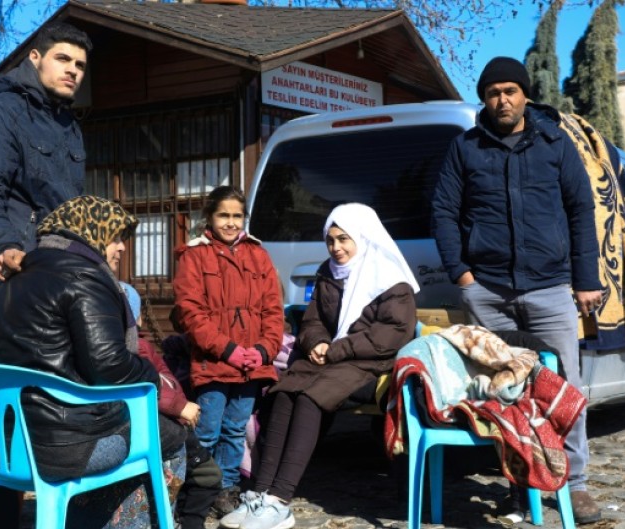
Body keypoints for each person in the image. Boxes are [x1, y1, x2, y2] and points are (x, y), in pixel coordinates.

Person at [430, 56, 603, 525]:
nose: (501, 99)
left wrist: (586, 279)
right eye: (492, 92)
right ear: (483, 99)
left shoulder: (555, 143)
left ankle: (576, 483)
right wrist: (462, 276)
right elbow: (444, 211)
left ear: (525, 94)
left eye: (509, 90)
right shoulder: (464, 148)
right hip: (487, 291)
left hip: (549, 288)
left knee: (564, 384)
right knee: (504, 388)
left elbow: (580, 211)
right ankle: (519, 481)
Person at [222, 203, 419, 529]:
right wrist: (316, 344)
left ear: (362, 236)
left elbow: (390, 335)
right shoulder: (328, 272)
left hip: (370, 365)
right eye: (330, 240)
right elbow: (313, 320)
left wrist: (335, 350)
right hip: (330, 360)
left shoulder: (391, 280)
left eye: (344, 239)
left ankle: (280, 501)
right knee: (284, 392)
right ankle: (259, 493)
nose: (336, 248)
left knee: (312, 398)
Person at [0, 195, 162, 528]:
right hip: (59, 450)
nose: (122, 248)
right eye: (116, 237)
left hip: (0, 450)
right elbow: (110, 367)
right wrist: (154, 376)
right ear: (91, 232)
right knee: (170, 437)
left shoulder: (6, 283)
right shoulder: (83, 276)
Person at [0, 21, 92, 332]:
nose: (72, 70)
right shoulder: (2, 109)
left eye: (80, 65)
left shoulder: (69, 125)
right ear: (35, 57)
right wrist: (3, 245)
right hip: (13, 276)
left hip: (61, 275)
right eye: (62, 59)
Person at [172, 185, 284, 517]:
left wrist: (264, 350)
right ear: (209, 216)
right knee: (206, 430)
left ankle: (225, 491)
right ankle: (194, 494)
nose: (231, 223)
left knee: (236, 430)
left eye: (237, 216)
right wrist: (228, 349)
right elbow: (192, 314)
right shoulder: (193, 256)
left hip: (251, 366)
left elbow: (273, 311)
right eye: (224, 215)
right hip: (212, 364)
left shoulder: (259, 255)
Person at [119, 282, 223, 529]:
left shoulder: (134, 347)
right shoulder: (136, 348)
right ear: (135, 317)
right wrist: (180, 406)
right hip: (165, 424)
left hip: (159, 422)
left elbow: (163, 377)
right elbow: (152, 386)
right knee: (208, 476)